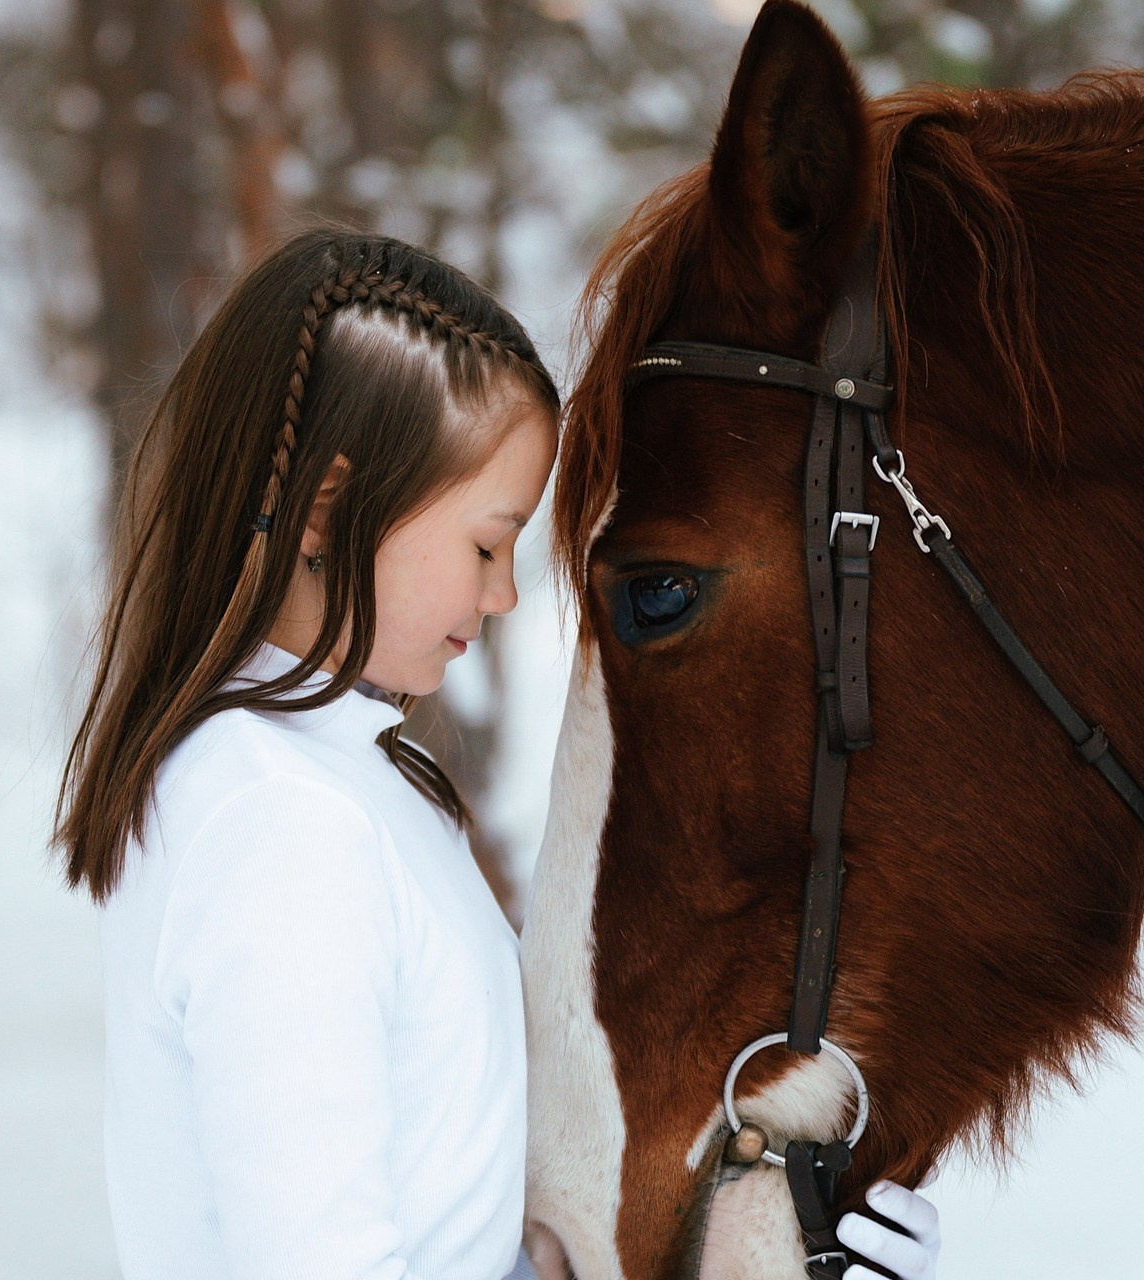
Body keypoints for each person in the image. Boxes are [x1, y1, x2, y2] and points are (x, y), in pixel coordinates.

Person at [52, 228, 941, 1280]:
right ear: (328, 510)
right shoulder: (281, 826)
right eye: (486, 542)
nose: (504, 593)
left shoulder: (339, 784)